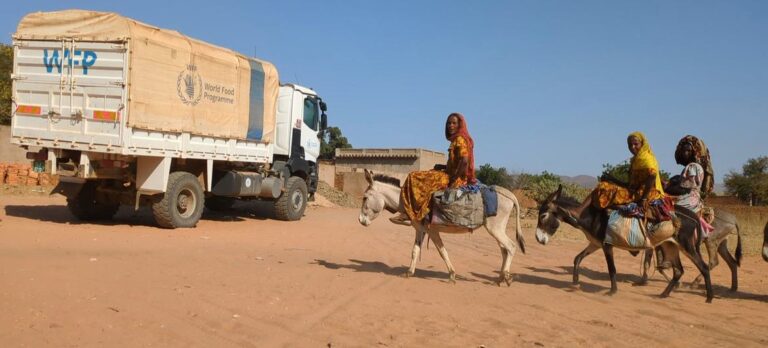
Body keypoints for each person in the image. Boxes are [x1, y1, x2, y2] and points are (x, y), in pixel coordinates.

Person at [389, 112, 476, 225]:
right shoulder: (456, 140)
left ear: (460, 125)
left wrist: (453, 178)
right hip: (450, 174)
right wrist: (443, 167)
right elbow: (458, 162)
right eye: (449, 123)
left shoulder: (459, 139)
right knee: (429, 174)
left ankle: (410, 213)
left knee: (414, 176)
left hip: (456, 179)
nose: (451, 125)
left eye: (454, 123)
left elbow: (464, 162)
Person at [591, 131, 665, 212]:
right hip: (634, 192)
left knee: (606, 191)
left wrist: (643, 199)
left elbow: (652, 176)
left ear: (642, 144)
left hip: (647, 194)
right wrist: (612, 179)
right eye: (630, 145)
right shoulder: (635, 161)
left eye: (636, 144)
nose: (632, 147)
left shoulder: (647, 159)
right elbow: (629, 185)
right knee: (604, 185)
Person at [668, 135, 715, 233]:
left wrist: (666, 188)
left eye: (688, 151)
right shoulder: (693, 167)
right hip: (691, 196)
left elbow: (684, 189)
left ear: (694, 152)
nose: (685, 153)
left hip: (688, 198)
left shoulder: (692, 167)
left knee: (666, 210)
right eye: (684, 151)